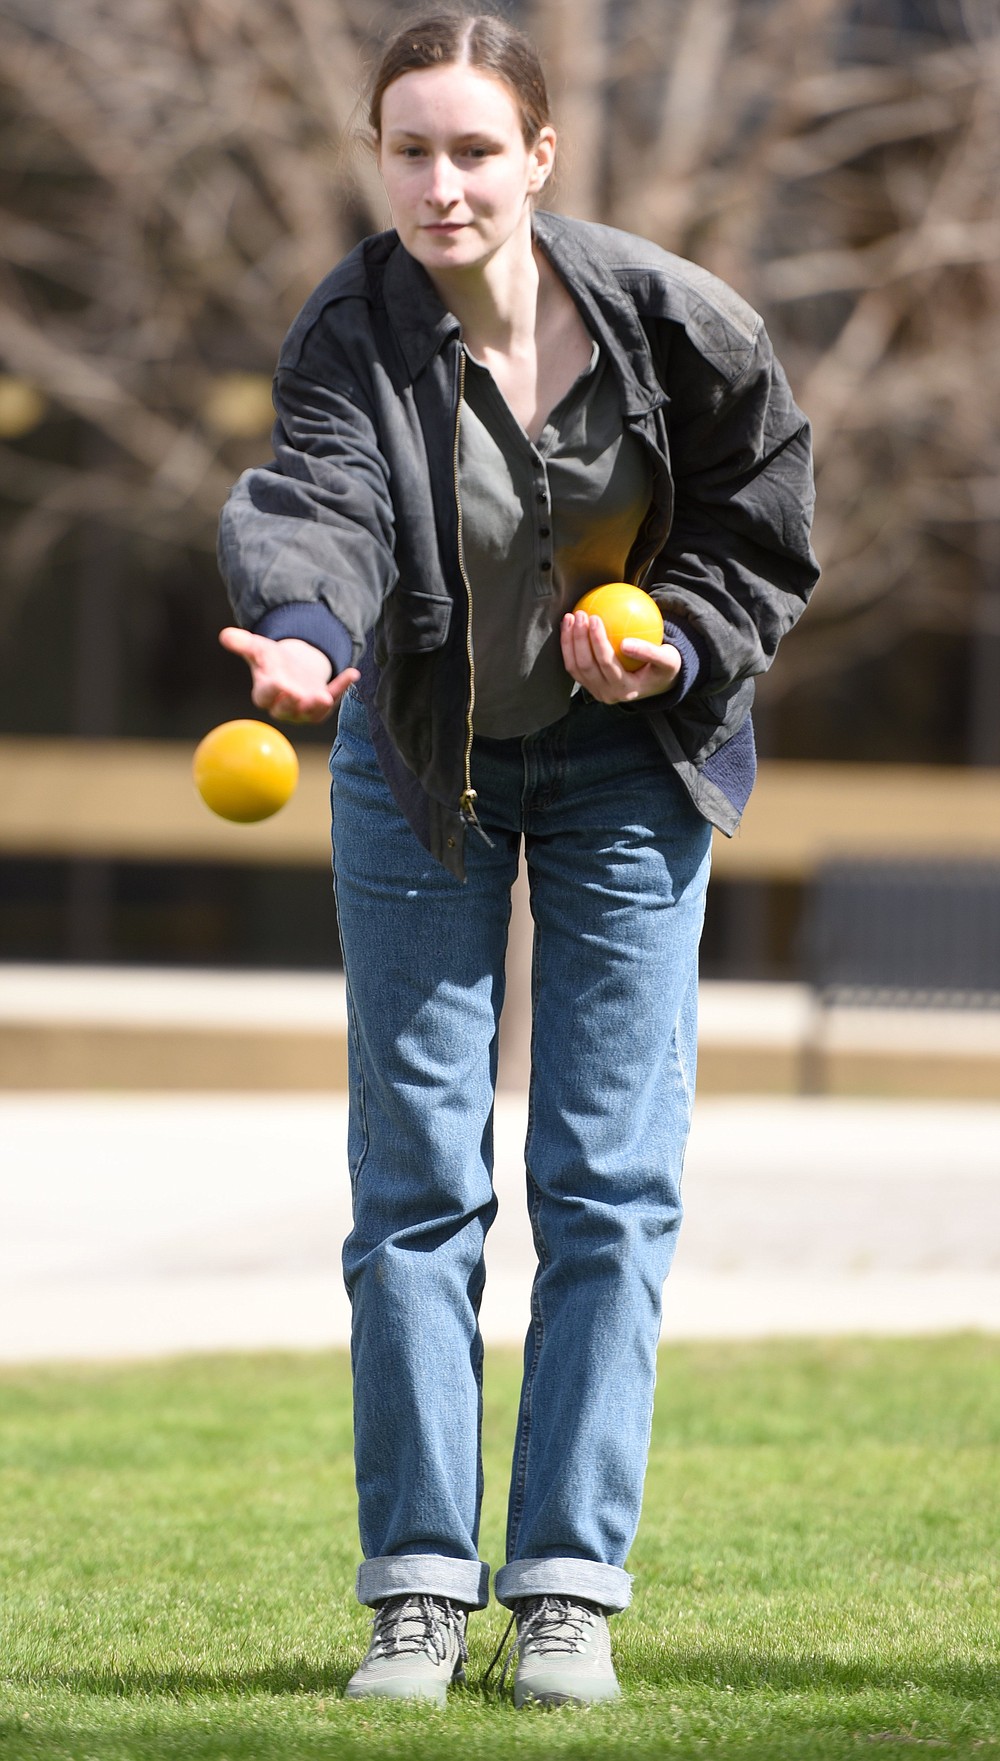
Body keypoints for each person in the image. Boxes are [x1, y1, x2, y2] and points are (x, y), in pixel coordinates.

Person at [217, 7, 819, 1709]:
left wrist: (681, 642)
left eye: (475, 148)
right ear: (379, 158)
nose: (441, 181)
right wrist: (302, 630)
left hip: (632, 769)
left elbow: (766, 519)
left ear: (539, 158)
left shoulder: (673, 320)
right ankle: (416, 1586)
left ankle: (566, 1586)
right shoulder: (353, 326)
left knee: (608, 1175)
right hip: (421, 768)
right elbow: (322, 497)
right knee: (415, 1182)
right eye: (409, 147)